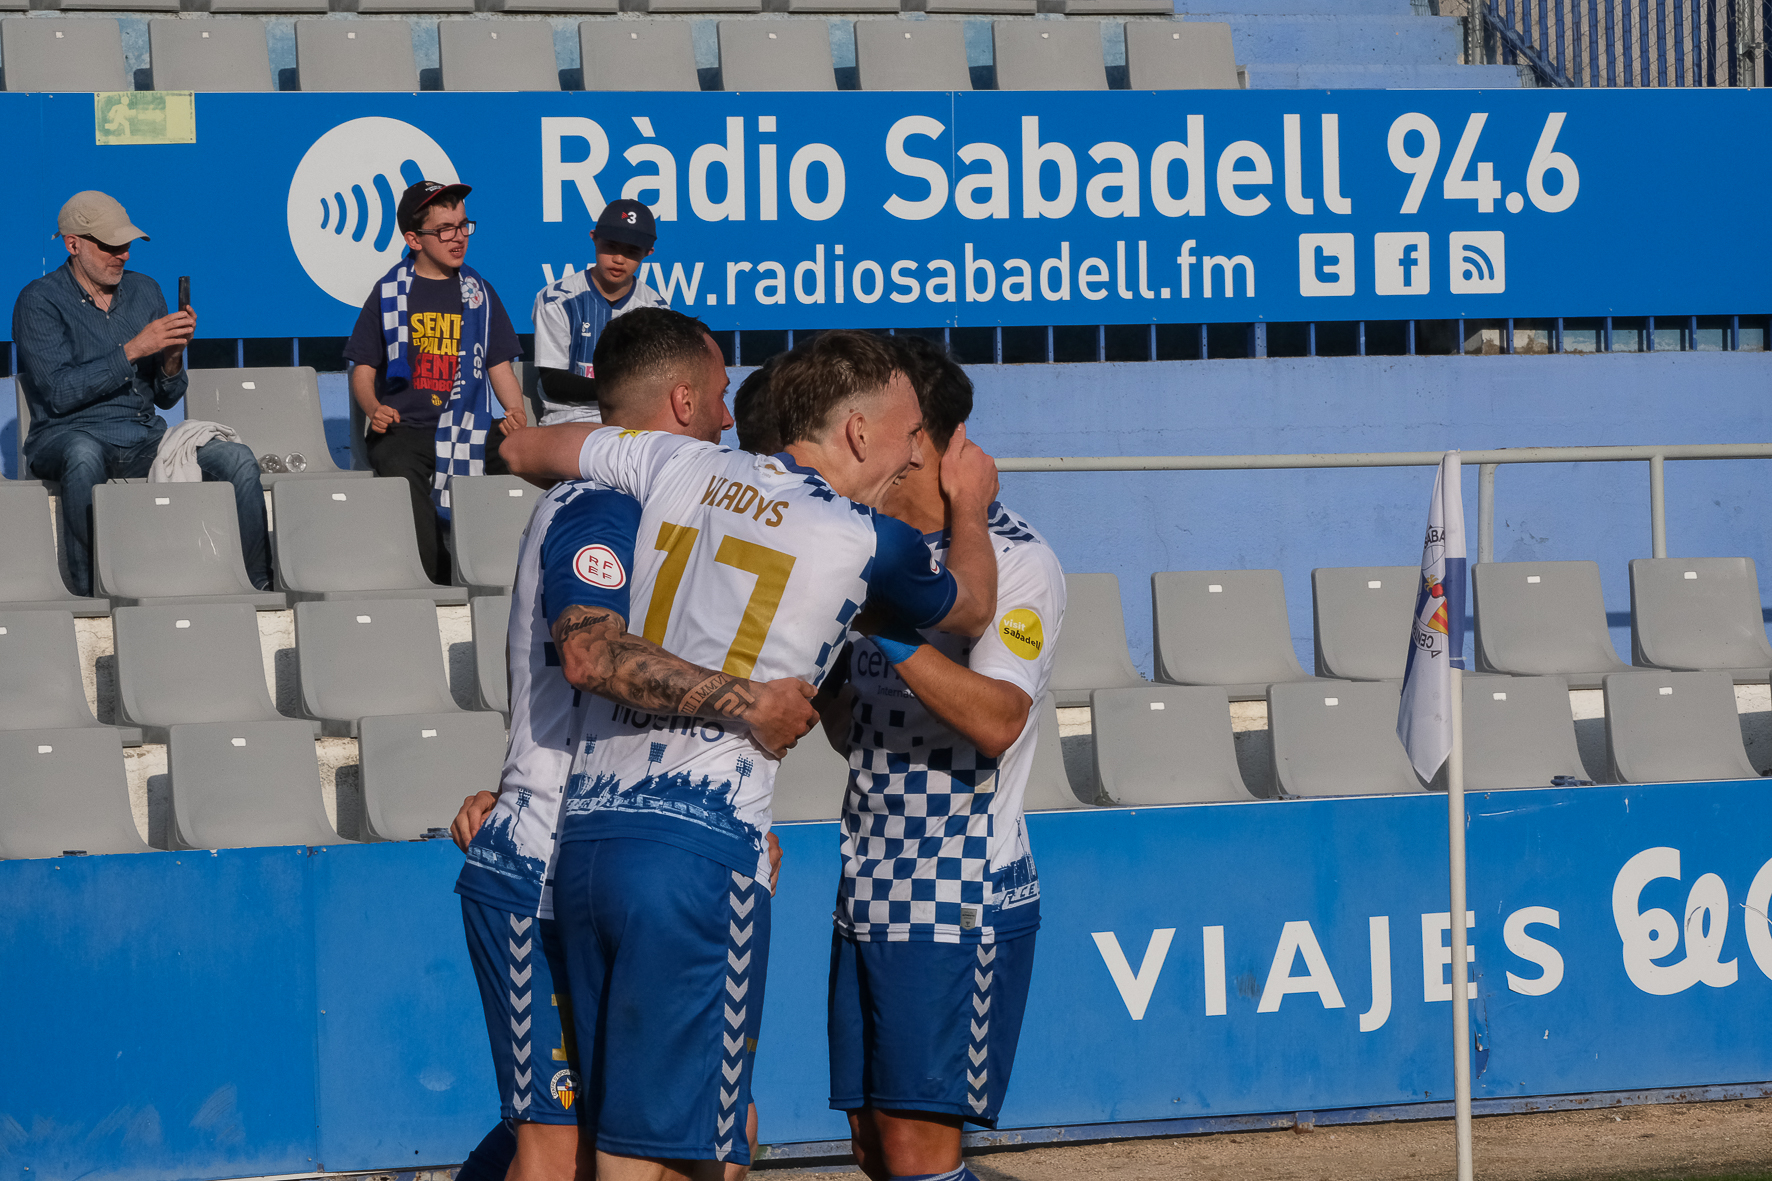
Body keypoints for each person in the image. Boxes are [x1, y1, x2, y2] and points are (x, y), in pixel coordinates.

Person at [497, 325, 1003, 1181]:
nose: (917, 450)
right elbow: (971, 608)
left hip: (588, 841)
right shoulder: (865, 540)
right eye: (910, 431)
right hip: (700, 849)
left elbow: (528, 447)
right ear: (856, 432)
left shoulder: (673, 463)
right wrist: (972, 508)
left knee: (634, 1140)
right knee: (660, 1155)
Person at [446, 306, 773, 1181]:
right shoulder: (603, 501)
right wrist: (753, 706)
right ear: (678, 401)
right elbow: (589, 653)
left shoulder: (663, 513)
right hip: (548, 861)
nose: (728, 417)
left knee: (700, 1132)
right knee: (560, 1147)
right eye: (716, 397)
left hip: (634, 852)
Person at [816, 337, 1066, 1181]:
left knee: (921, 1153)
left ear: (922, 438)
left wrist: (879, 622)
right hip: (868, 880)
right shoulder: (868, 546)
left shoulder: (1017, 559)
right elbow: (850, 730)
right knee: (872, 1147)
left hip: (959, 890)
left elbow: (997, 721)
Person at [13, 190, 269, 597]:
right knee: (82, 453)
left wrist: (170, 358)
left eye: (127, 245)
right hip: (65, 434)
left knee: (236, 457)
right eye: (111, 246)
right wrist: (134, 349)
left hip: (141, 435)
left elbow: (166, 397)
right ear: (73, 243)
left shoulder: (144, 291)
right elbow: (59, 393)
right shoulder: (38, 301)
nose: (123, 255)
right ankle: (91, 592)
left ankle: (259, 587)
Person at [344, 180, 527, 583]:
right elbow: (362, 369)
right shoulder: (389, 293)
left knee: (525, 456)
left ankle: (512, 572)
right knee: (398, 469)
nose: (458, 237)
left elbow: (499, 365)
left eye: (463, 226)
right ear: (414, 239)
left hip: (469, 424)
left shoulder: (479, 292)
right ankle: (435, 579)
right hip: (405, 428)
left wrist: (515, 411)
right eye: (445, 229)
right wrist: (374, 409)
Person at [530, 198, 665, 423]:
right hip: (569, 419)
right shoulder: (558, 298)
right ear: (594, 238)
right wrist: (619, 389)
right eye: (611, 246)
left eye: (631, 251)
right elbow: (552, 381)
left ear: (648, 252)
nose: (619, 259)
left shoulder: (655, 308)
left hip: (633, 423)